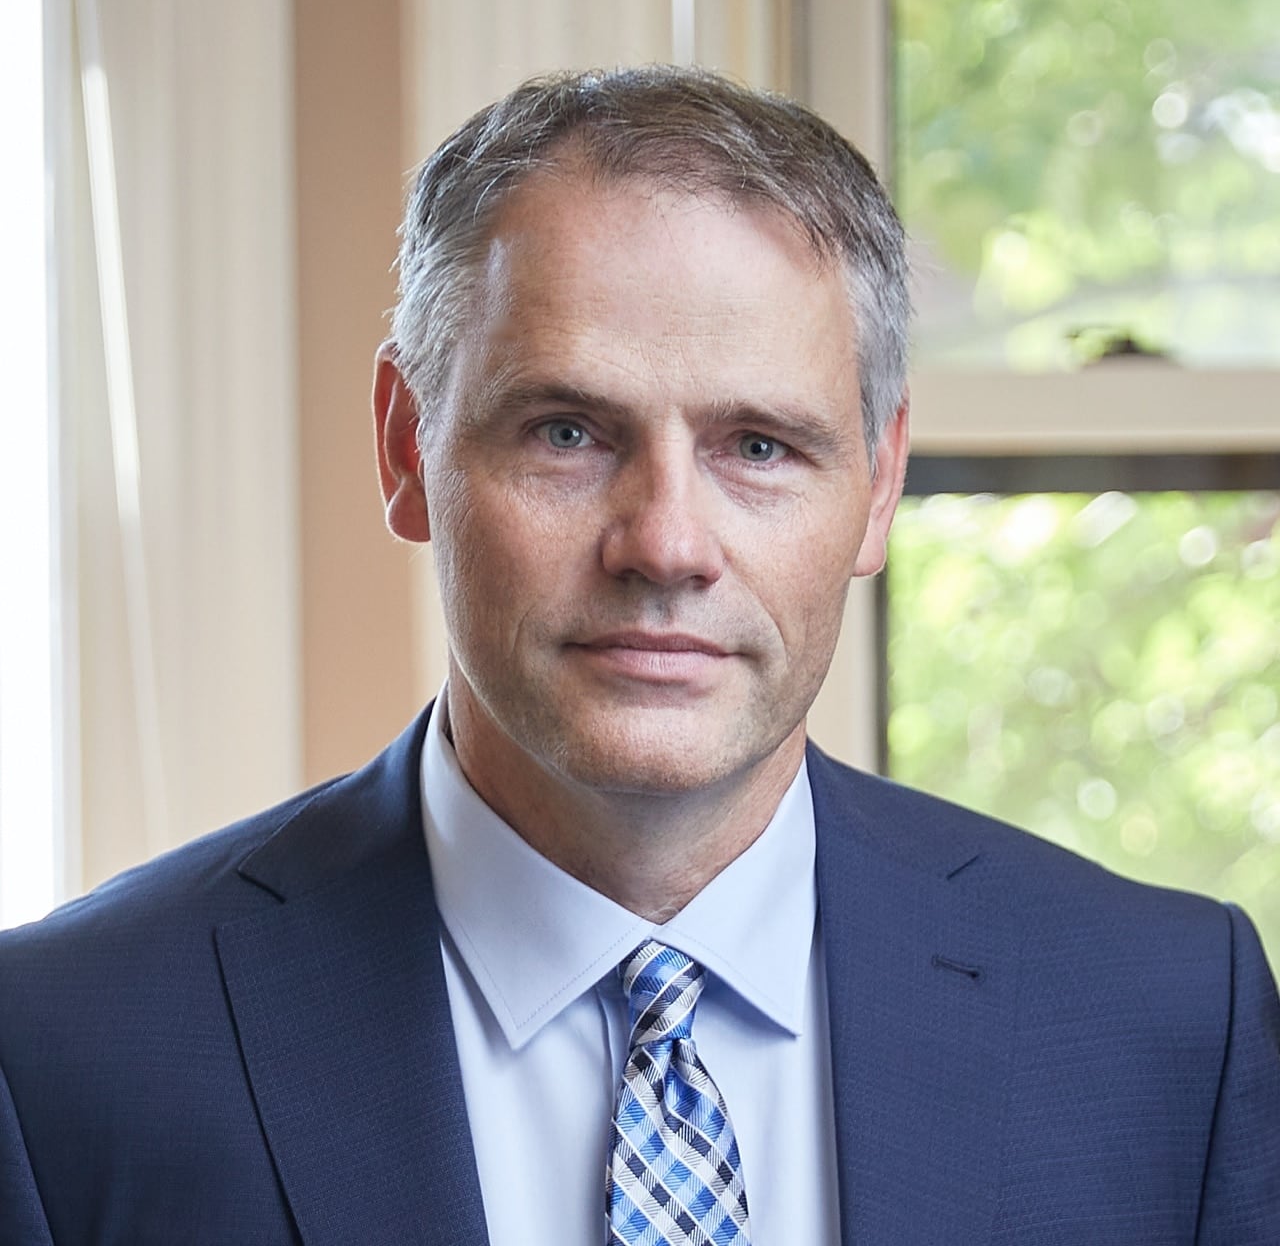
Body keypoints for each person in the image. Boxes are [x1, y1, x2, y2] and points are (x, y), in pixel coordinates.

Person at [0, 66, 1276, 1246]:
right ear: (405, 447)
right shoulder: (63, 1053)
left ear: (879, 483)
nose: (665, 543)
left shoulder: (1171, 1028)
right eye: (566, 431)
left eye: (759, 447)